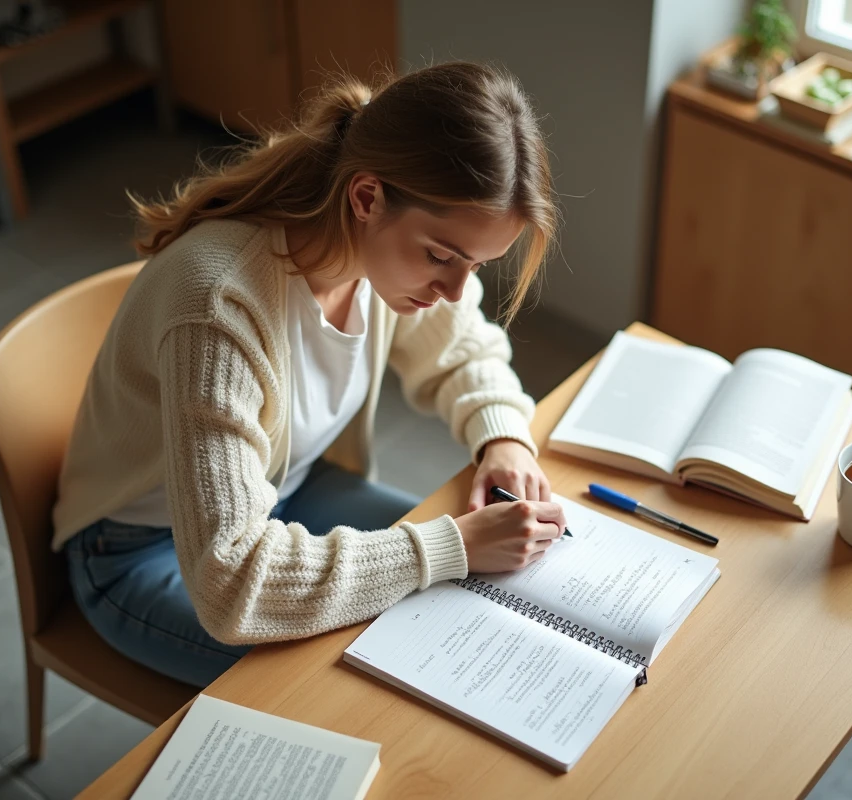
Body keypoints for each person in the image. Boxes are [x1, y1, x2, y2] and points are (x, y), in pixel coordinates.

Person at [51, 61, 568, 688]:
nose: (459, 289)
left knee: (479, 605)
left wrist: (502, 438)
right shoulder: (217, 304)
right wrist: (449, 547)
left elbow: (467, 352)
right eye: (441, 256)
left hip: (287, 491)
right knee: (396, 673)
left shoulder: (384, 261)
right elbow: (231, 582)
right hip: (140, 553)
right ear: (366, 197)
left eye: (478, 263)